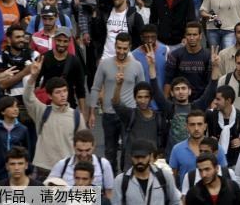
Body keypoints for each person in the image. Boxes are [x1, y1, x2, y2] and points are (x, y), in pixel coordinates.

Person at [89, 32, 147, 170]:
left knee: (127, 150)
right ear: (114, 46)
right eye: (118, 48)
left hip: (129, 114)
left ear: (129, 47)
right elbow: (96, 88)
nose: (121, 51)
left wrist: (142, 112)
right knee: (110, 151)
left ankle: (124, 180)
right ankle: (111, 182)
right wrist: (91, 112)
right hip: (108, 113)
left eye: (124, 48)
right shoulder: (104, 64)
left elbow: (142, 90)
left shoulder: (137, 66)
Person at [24, 60, 83, 180]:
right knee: (40, 199)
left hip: (69, 170)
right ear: (50, 96)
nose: (63, 95)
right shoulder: (42, 112)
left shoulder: (77, 116)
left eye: (65, 91)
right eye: (58, 92)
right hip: (44, 169)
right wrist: (33, 77)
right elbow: (28, 97)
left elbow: (84, 144)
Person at [0, 96, 32, 182]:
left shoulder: (23, 129)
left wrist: (28, 169)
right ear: (3, 111)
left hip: (18, 172)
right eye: (11, 107)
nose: (15, 109)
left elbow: (28, 151)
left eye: (16, 106)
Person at [49, 129, 115, 197]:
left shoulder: (104, 165)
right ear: (74, 147)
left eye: (87, 150)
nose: (84, 155)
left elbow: (109, 193)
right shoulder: (62, 165)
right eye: (80, 150)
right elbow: (49, 190)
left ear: (93, 147)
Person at [169, 110, 228, 186]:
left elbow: (224, 174)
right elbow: (172, 178)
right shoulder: (177, 149)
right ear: (186, 127)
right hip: (186, 195)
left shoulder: (217, 148)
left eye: (199, 124)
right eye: (192, 124)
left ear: (205, 126)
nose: (196, 128)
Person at [113, 139, 181, 205]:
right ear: (131, 157)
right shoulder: (121, 181)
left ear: (151, 156)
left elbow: (176, 201)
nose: (140, 161)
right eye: (136, 157)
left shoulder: (164, 176)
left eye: (143, 157)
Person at [207, 85, 240, 166]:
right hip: (213, 161)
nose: (215, 102)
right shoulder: (210, 114)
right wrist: (208, 140)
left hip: (234, 161)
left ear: (228, 100)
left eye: (218, 99)